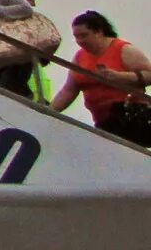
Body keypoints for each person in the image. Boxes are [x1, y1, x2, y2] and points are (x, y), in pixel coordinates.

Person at [51, 12, 151, 148]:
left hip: (128, 117)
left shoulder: (123, 49)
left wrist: (120, 77)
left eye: (84, 35)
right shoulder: (80, 57)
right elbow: (68, 90)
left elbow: (149, 74)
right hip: (102, 120)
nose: (80, 41)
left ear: (99, 31)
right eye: (76, 37)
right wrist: (48, 111)